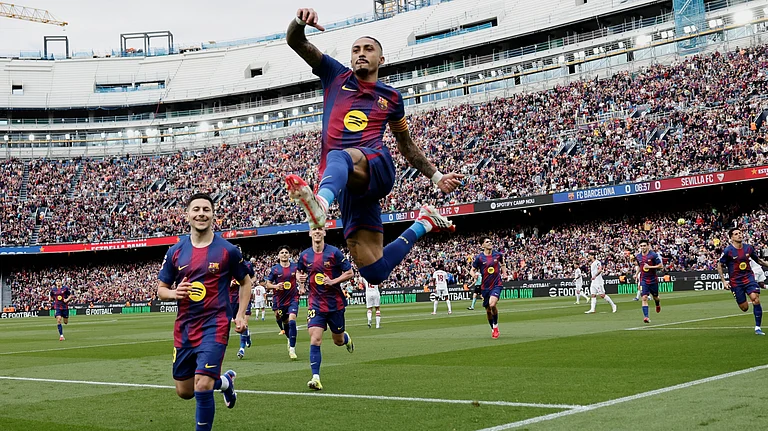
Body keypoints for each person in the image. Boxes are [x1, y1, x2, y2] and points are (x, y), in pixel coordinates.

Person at [284, 7, 462, 289]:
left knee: (340, 155)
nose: (360, 53)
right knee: (374, 271)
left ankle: (320, 204)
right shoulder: (334, 75)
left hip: (376, 166)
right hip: (347, 186)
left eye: (368, 49)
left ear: (381, 59)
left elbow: (406, 145)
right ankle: (424, 222)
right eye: (356, 50)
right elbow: (296, 41)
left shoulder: (391, 97)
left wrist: (437, 177)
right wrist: (299, 22)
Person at [157, 193, 252, 431]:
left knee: (202, 385)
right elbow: (161, 290)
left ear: (213, 215)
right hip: (186, 328)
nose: (201, 214)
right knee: (185, 391)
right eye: (196, 209)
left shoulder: (228, 251)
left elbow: (245, 282)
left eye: (206, 210)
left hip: (215, 324)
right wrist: (175, 293)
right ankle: (225, 382)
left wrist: (240, 315)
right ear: (187, 214)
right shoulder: (175, 252)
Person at [296, 227, 355, 390]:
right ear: (309, 233)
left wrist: (333, 281)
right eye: (313, 229)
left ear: (324, 233)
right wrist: (300, 281)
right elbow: (299, 272)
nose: (316, 232)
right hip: (315, 303)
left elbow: (349, 273)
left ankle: (345, 339)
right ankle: (316, 377)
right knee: (315, 338)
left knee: (338, 341)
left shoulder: (334, 253)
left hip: (335, 304)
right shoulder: (305, 255)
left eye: (319, 229)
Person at [717, 228, 768, 335]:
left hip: (748, 277)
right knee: (744, 308)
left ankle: (757, 328)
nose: (739, 235)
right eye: (736, 234)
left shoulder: (748, 248)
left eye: (740, 233)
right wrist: (724, 281)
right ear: (731, 238)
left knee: (755, 299)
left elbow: (758, 260)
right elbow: (719, 265)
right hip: (736, 282)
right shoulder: (728, 251)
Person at [266, 245, 300, 360]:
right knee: (282, 320)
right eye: (282, 252)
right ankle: (288, 337)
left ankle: (292, 348)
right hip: (279, 300)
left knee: (292, 320)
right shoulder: (275, 269)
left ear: (289, 255)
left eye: (286, 252)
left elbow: (302, 277)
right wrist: (275, 286)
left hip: (293, 298)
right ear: (278, 255)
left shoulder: (295, 267)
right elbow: (268, 284)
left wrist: (303, 284)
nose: (284, 254)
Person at [470, 237, 507, 339]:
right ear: (482, 245)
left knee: (492, 304)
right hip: (485, 287)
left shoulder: (498, 255)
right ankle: (493, 329)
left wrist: (505, 274)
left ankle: (495, 326)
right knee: (487, 310)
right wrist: (474, 275)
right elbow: (472, 270)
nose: (490, 243)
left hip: (496, 284)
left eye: (490, 241)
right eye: (487, 242)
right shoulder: (479, 258)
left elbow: (503, 264)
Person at [232, 249, 256, 360]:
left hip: (244, 299)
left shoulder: (247, 265)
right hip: (232, 300)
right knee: (239, 325)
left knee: (243, 323)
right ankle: (247, 335)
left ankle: (241, 349)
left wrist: (250, 281)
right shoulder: (226, 265)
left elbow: (253, 276)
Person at [635, 239, 662, 323]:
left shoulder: (653, 255)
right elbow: (640, 266)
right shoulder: (638, 256)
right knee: (644, 297)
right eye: (641, 246)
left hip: (653, 279)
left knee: (656, 297)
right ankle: (646, 317)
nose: (642, 247)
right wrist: (636, 274)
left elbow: (660, 266)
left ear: (648, 246)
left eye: (644, 245)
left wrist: (650, 267)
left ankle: (657, 304)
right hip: (643, 279)